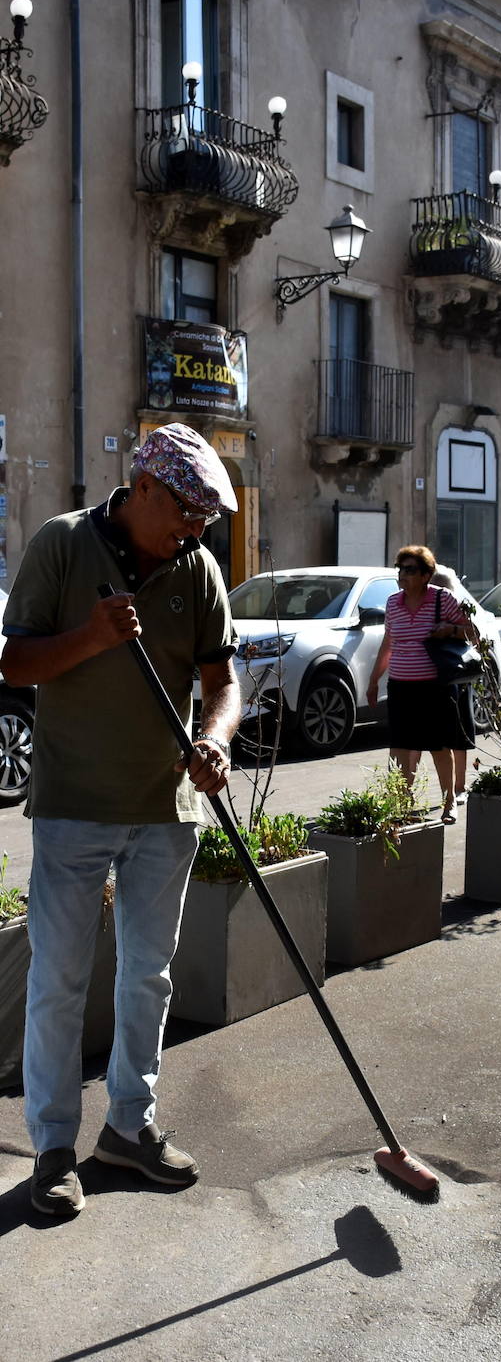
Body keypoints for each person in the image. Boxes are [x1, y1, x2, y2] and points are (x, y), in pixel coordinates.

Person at [0, 423, 241, 1217]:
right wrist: (93, 638)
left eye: (206, 518)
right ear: (142, 486)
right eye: (185, 511)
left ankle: (129, 1130)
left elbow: (222, 680)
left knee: (149, 976)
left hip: (164, 812)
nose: (195, 529)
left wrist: (213, 740)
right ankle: (52, 1150)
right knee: (59, 983)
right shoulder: (63, 545)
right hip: (73, 807)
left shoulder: (197, 569)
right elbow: (15, 663)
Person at [365, 545, 478, 824]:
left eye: (410, 570)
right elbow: (388, 642)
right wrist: (373, 680)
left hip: (435, 686)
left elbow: (473, 633)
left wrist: (449, 630)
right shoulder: (393, 602)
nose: (402, 575)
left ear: (427, 574)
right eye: (400, 569)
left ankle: (448, 801)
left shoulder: (443, 599)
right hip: (401, 686)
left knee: (439, 746)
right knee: (401, 745)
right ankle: (401, 802)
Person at [429, 566, 476, 805]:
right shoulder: (422, 608)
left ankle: (460, 786)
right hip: (432, 678)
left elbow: (475, 634)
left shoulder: (457, 609)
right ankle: (455, 787)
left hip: (456, 677)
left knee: (459, 734)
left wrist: (450, 629)